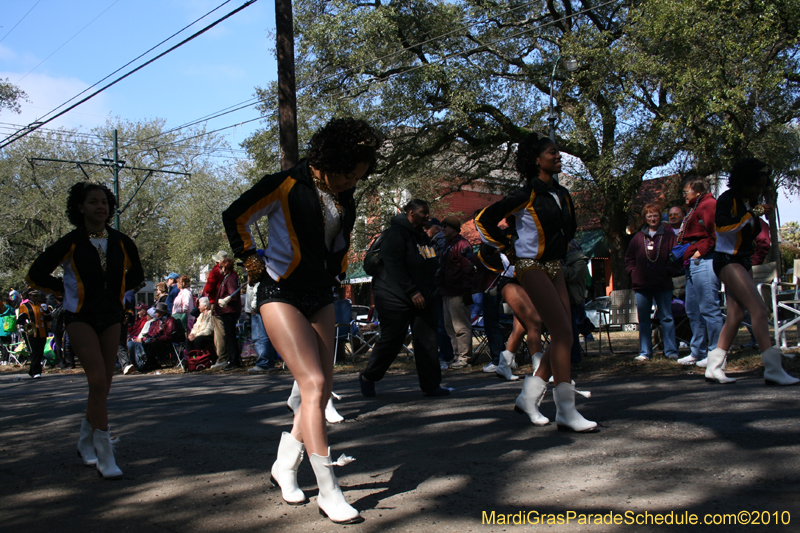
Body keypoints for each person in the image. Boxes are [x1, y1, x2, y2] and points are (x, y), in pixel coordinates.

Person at [223, 117, 381, 524]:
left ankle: (284, 465)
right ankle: (329, 491)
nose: (350, 183)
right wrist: (249, 257)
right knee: (311, 384)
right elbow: (235, 215)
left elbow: (339, 242)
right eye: (347, 174)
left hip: (321, 294)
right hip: (280, 293)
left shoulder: (346, 196)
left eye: (358, 177)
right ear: (329, 159)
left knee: (323, 389)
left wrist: (339, 269)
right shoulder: (284, 184)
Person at [476, 132, 596, 432]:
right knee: (562, 332)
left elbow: (568, 232)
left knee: (564, 335)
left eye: (558, 152)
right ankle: (566, 411)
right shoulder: (525, 193)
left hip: (555, 266)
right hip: (530, 267)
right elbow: (483, 220)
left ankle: (529, 397)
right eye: (552, 152)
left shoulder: (563, 193)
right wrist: (506, 246)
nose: (558, 156)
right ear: (536, 159)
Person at [27, 181, 144, 478]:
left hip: (111, 316)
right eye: (93, 202)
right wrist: (64, 290)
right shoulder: (71, 242)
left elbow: (137, 275)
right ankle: (105, 455)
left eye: (104, 202)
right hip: (79, 317)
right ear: (80, 207)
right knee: (96, 380)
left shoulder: (121, 241)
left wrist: (115, 293)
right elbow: (35, 274)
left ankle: (85, 441)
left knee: (104, 384)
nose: (100, 207)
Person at [708, 159, 798, 385]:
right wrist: (752, 214)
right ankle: (773, 368)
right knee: (758, 308)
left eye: (761, 186)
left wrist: (755, 213)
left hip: (742, 261)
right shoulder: (727, 199)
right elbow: (722, 228)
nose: (758, 189)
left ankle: (714, 366)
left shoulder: (750, 202)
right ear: (743, 181)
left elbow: (751, 233)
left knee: (737, 315)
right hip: (727, 260)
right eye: (755, 185)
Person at [359, 199, 450, 397]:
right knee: (393, 340)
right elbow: (394, 266)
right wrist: (412, 291)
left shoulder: (422, 237)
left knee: (427, 339)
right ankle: (369, 376)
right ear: (410, 212)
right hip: (394, 296)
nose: (427, 215)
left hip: (423, 297)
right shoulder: (395, 234)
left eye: (428, 212)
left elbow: (429, 264)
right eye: (423, 212)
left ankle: (431, 385)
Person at [675, 175, 723, 367]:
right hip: (692, 263)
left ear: (698, 190)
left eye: (686, 192)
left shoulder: (708, 204)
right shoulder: (694, 207)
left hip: (704, 261)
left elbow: (717, 232)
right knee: (693, 309)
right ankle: (697, 351)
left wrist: (700, 251)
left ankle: (716, 353)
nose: (684, 196)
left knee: (709, 308)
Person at [624, 204, 680, 362]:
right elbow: (628, 258)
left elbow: (677, 255)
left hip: (663, 283)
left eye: (655, 215)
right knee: (644, 319)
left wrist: (669, 270)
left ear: (660, 217)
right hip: (642, 285)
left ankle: (671, 350)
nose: (653, 219)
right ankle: (645, 351)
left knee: (667, 317)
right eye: (649, 216)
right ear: (645, 218)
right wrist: (633, 272)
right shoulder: (637, 237)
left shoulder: (669, 236)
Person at [439, 216, 475, 369]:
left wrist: (467, 290)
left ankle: (465, 357)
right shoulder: (448, 245)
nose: (443, 230)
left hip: (458, 291)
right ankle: (456, 355)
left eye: (446, 227)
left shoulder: (462, 244)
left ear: (454, 228)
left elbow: (468, 268)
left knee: (460, 326)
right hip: (447, 291)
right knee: (449, 326)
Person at [423, 217, 455, 368]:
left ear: (437, 228)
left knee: (442, 324)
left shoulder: (441, 242)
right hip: (434, 287)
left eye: (428, 227)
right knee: (438, 324)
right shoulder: (430, 242)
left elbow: (437, 265)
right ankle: (442, 354)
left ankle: (446, 355)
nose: (425, 230)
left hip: (439, 287)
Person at [564, 239, 591, 365]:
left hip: (573, 298)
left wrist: (557, 267)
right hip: (562, 297)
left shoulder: (580, 260)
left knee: (572, 327)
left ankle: (575, 358)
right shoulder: (564, 260)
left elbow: (572, 275)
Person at [212, 257, 242, 370]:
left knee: (231, 337)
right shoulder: (227, 278)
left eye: (220, 267)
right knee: (229, 337)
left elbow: (233, 294)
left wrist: (224, 299)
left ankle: (234, 361)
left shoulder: (231, 278)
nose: (219, 269)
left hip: (229, 311)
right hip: (226, 311)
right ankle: (233, 359)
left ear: (225, 267)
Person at [203, 251, 229, 365]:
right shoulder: (231, 272)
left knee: (219, 332)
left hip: (216, 302)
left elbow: (208, 289)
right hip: (229, 304)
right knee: (228, 331)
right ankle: (230, 356)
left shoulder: (215, 271)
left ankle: (222, 357)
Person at [17, 290, 49, 378]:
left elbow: (49, 318)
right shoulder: (25, 306)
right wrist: (21, 327)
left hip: (42, 331)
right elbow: (20, 319)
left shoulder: (42, 305)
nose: (36, 298)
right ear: (30, 296)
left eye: (37, 296)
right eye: (34, 296)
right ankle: (36, 372)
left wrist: (46, 311)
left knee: (40, 351)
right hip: (30, 332)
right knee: (34, 351)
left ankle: (32, 370)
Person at [141, 302, 183, 366]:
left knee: (154, 344)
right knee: (146, 343)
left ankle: (150, 364)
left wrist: (156, 339)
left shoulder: (170, 320)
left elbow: (168, 335)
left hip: (168, 342)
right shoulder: (158, 321)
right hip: (159, 339)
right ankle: (152, 363)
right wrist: (150, 338)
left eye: (157, 311)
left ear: (162, 312)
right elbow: (154, 332)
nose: (155, 313)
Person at [0, 294, 15, 364]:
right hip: (8, 328)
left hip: (1, 328)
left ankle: (3, 359)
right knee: (7, 345)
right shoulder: (11, 309)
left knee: (2, 345)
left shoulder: (1, 310)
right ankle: (6, 359)